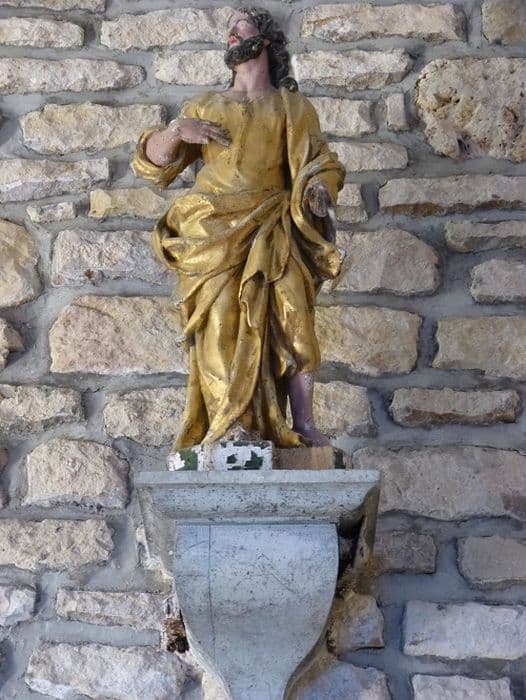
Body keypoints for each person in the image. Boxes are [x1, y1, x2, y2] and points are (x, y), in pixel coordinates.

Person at [131, 7, 345, 449]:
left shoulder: (292, 106)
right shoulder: (205, 106)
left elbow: (320, 162)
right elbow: (153, 166)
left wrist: (319, 189)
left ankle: (304, 424)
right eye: (228, 29)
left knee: (295, 320)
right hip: (212, 232)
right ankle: (228, 428)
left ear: (265, 39)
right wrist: (177, 131)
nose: (231, 33)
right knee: (221, 324)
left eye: (240, 25)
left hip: (274, 226)